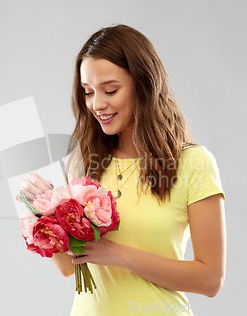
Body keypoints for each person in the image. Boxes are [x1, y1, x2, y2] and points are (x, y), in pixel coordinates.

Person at [16, 24, 226, 315]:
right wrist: (40, 209)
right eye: (88, 92)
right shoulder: (84, 162)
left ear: (143, 84)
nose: (97, 104)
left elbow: (210, 279)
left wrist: (117, 255)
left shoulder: (193, 164)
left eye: (110, 90)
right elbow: (68, 266)